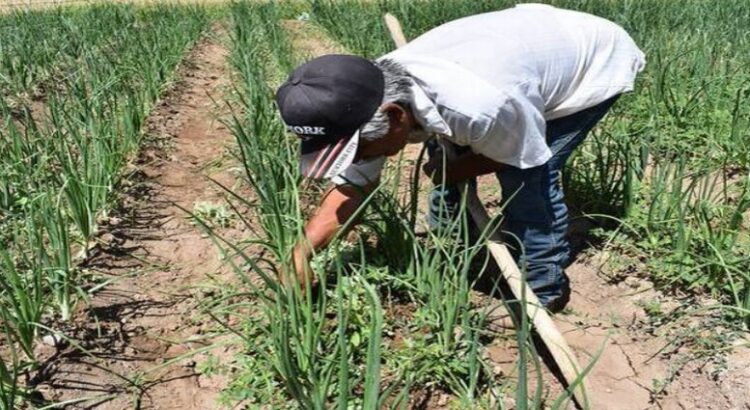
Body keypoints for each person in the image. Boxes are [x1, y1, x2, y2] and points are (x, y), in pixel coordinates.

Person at [275, 4, 645, 312]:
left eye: (357, 151)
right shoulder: (363, 97)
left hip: (590, 59)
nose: (357, 159)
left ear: (396, 117)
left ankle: (543, 290)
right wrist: (302, 253)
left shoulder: (482, 105)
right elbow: (353, 187)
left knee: (527, 181)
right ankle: (456, 234)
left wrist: (462, 166)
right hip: (517, 54)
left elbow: (525, 154)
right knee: (452, 146)